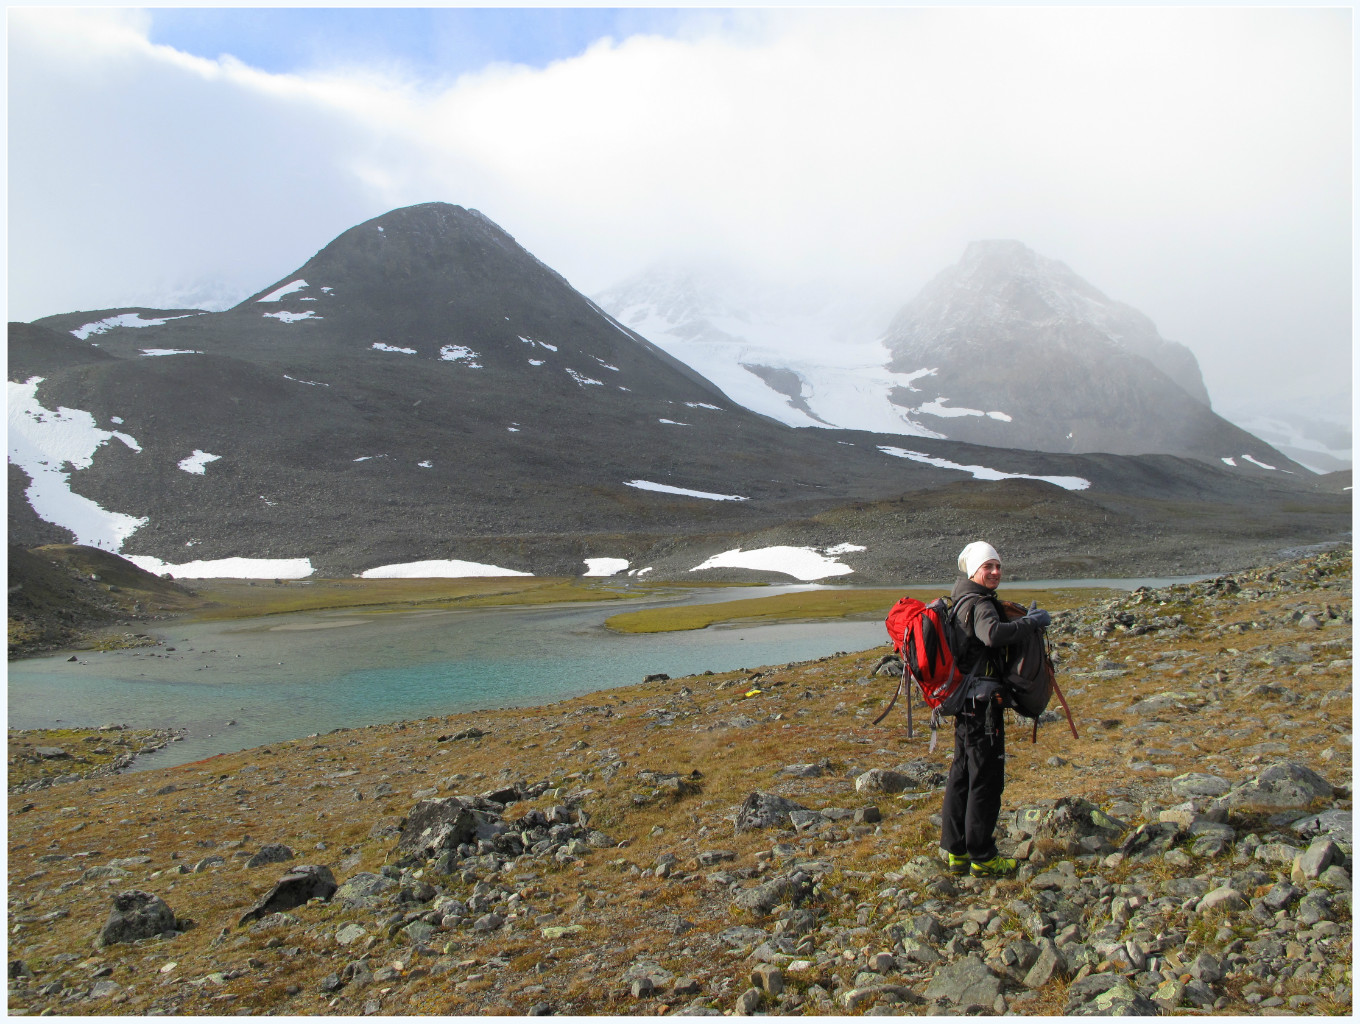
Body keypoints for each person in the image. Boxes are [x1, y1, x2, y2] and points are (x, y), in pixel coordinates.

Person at [941, 541, 1051, 877]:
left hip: (965, 702)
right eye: (988, 567)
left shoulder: (960, 599)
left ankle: (956, 851)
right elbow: (992, 635)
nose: (995, 572)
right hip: (983, 706)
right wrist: (1031, 623)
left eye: (998, 567)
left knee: (962, 773)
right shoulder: (980, 604)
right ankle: (983, 856)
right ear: (974, 570)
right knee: (986, 779)